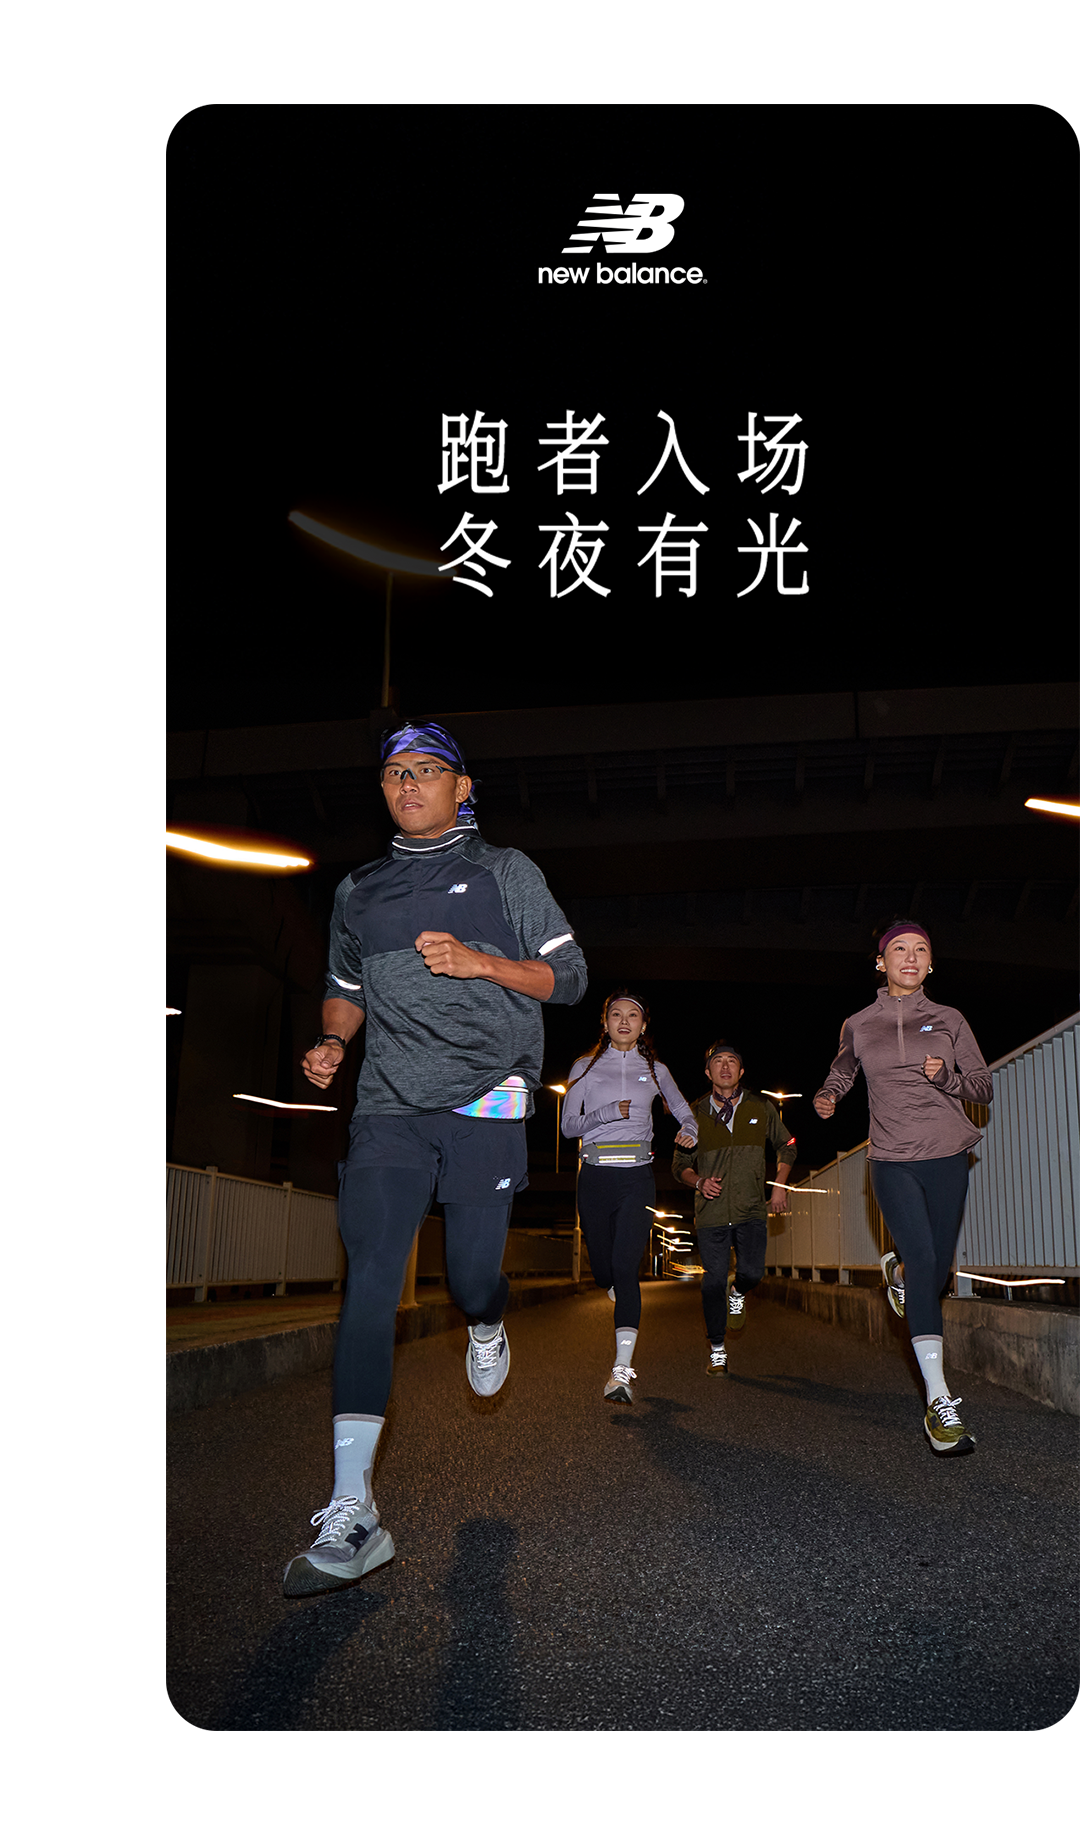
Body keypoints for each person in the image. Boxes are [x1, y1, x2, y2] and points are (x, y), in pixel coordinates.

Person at [283, 719, 587, 1596]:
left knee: (470, 1278)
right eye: (393, 773)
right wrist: (334, 1042)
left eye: (426, 770)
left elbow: (568, 978)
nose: (407, 784)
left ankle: (488, 1319)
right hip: (388, 1106)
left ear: (463, 786)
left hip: (489, 1094)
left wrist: (481, 963)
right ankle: (353, 1507)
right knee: (371, 1277)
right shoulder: (360, 890)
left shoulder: (507, 872)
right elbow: (345, 989)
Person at [812, 921, 992, 1456]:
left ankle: (900, 1275)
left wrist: (947, 1079)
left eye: (920, 950)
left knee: (935, 1272)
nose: (910, 957)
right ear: (881, 962)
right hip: (891, 1159)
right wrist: (828, 1095)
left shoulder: (950, 1019)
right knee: (922, 1257)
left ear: (930, 964)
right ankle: (939, 1401)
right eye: (899, 949)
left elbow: (983, 1087)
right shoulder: (859, 1023)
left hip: (948, 1155)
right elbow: (842, 1070)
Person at [561, 990, 697, 1402]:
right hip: (595, 1175)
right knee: (604, 1270)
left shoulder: (656, 1070)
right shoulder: (584, 1068)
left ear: (643, 1025)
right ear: (605, 1024)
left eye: (633, 1015)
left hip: (637, 1177)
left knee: (625, 1268)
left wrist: (689, 1129)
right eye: (616, 1014)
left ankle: (621, 1373)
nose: (624, 1021)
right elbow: (568, 1127)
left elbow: (683, 1110)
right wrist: (605, 1114)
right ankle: (610, 1283)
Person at [672, 1042, 796, 1374]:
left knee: (752, 1273)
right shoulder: (694, 1113)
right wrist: (699, 1181)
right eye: (718, 1061)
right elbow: (679, 1165)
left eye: (732, 1062)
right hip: (710, 1212)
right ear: (708, 1072)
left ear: (741, 1072)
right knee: (712, 1282)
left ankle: (738, 1290)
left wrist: (779, 1185)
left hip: (751, 1208)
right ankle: (717, 1348)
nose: (725, 1067)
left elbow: (787, 1145)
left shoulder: (761, 1106)